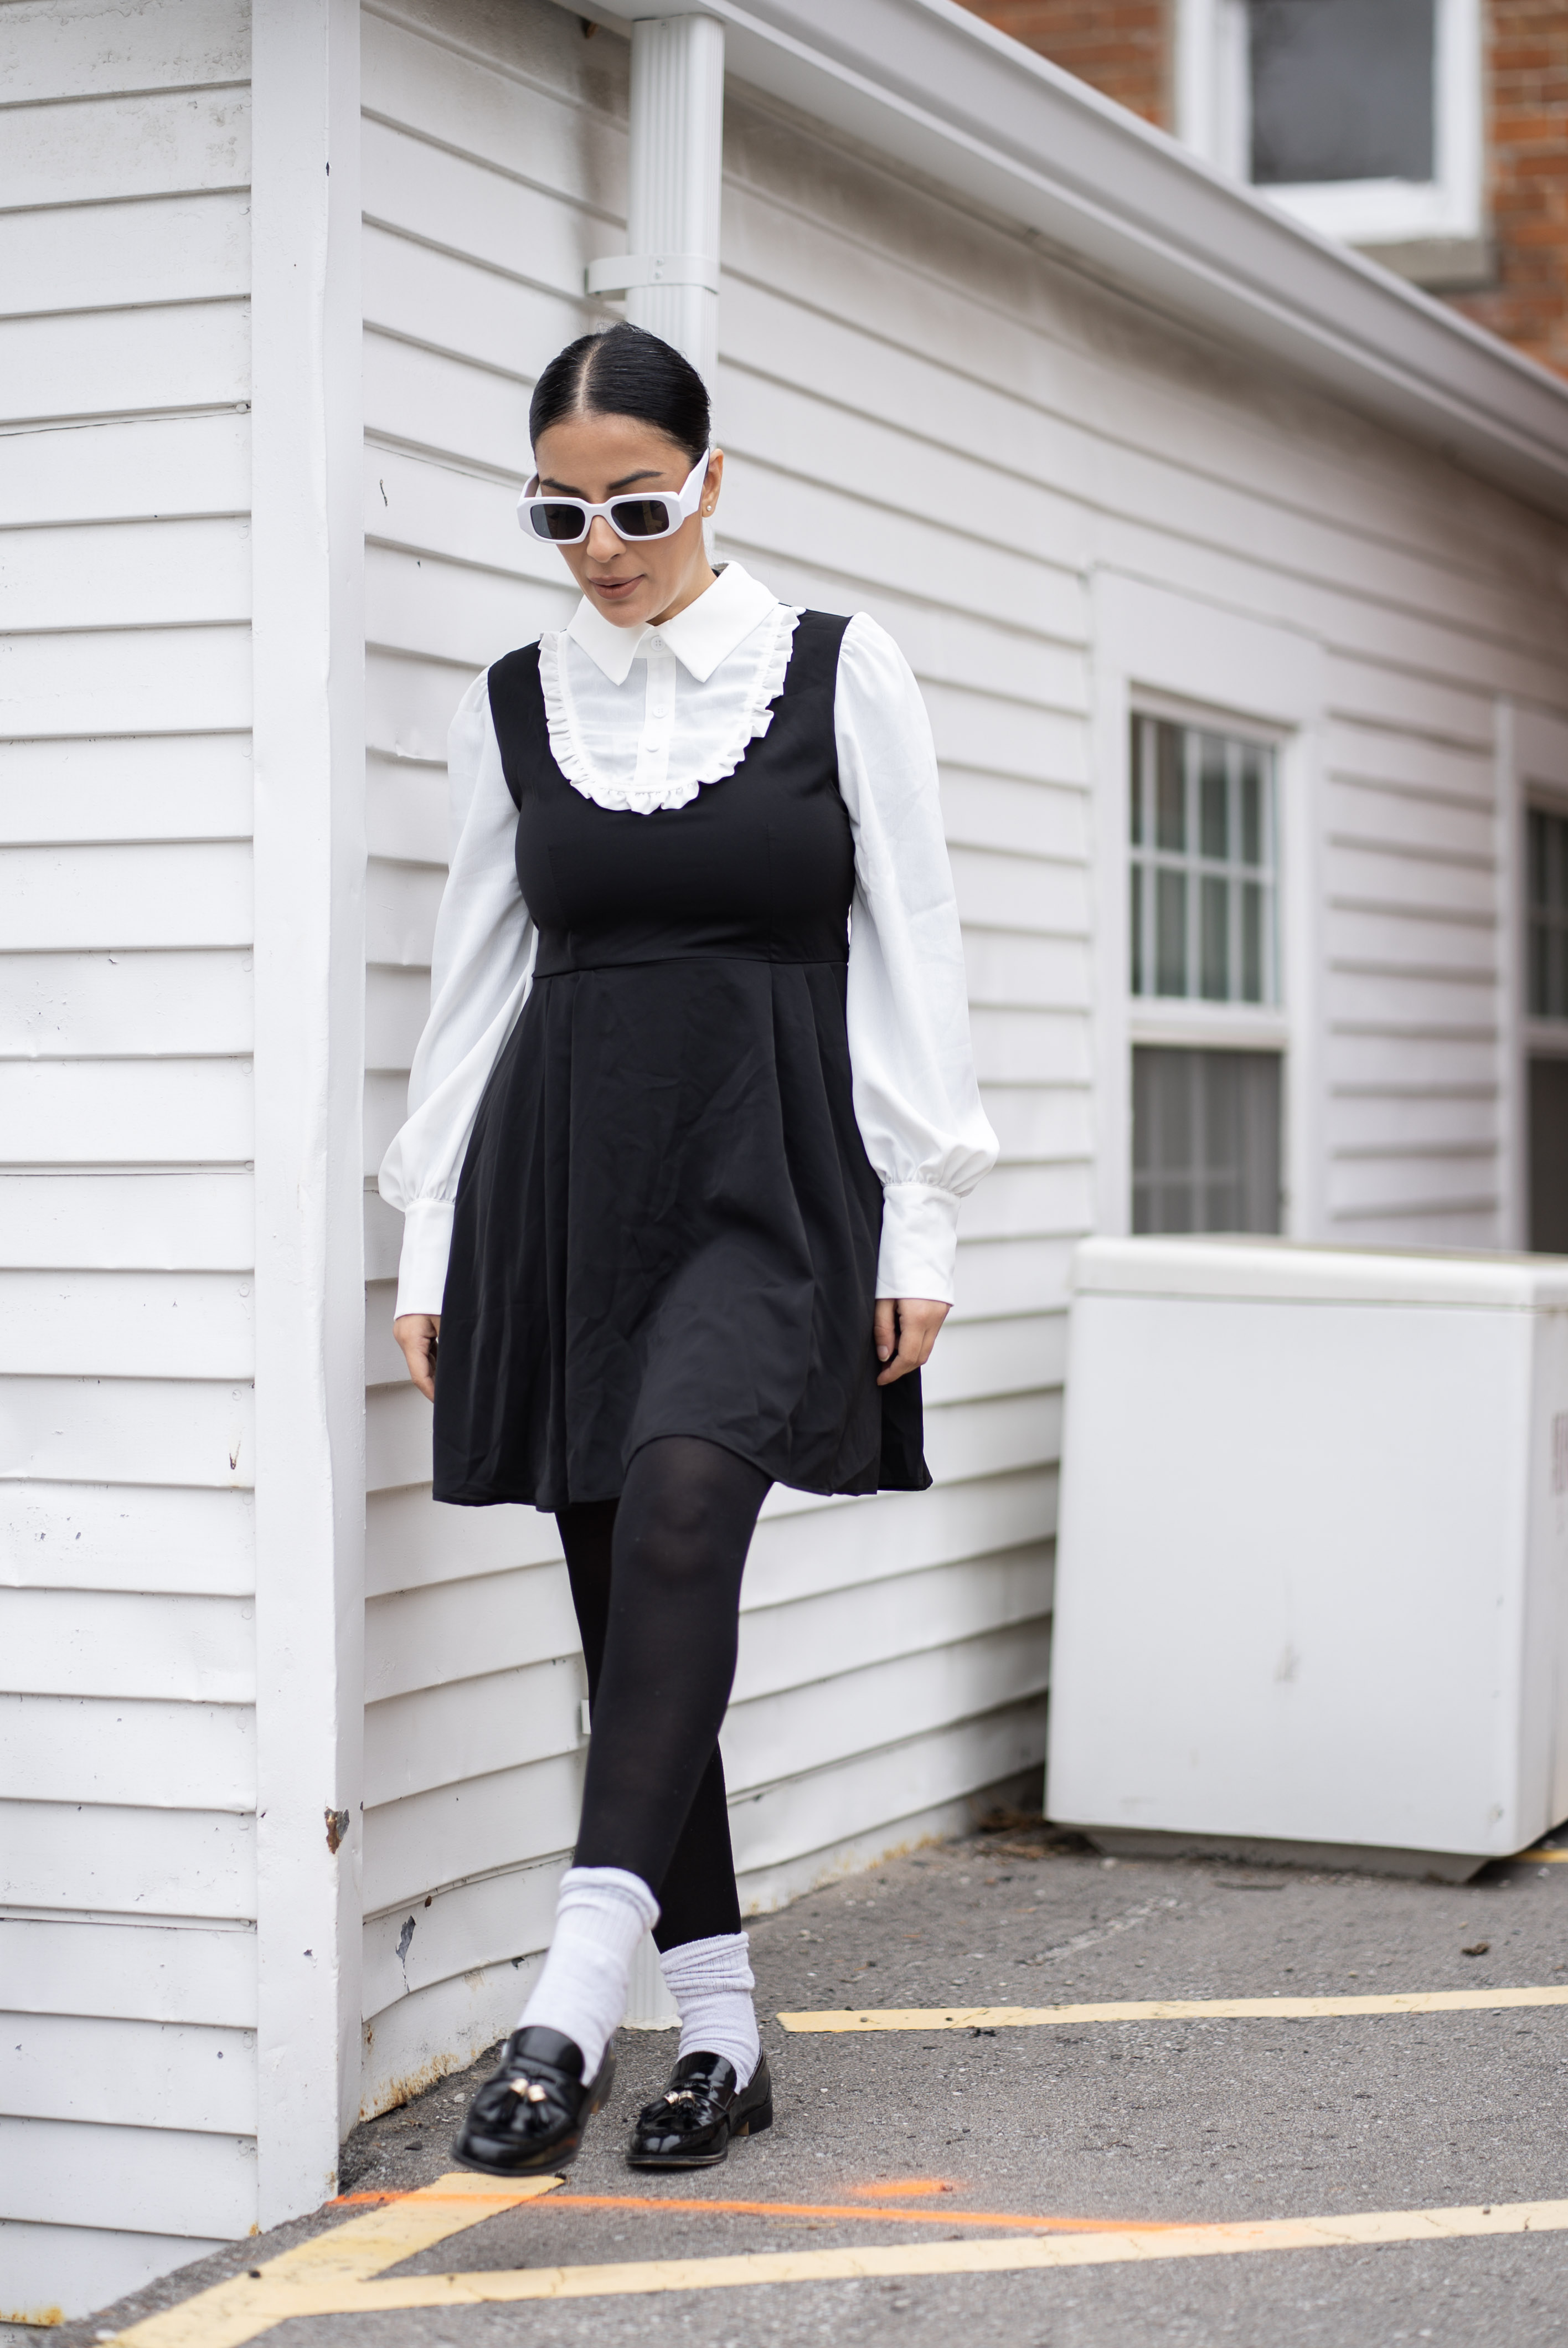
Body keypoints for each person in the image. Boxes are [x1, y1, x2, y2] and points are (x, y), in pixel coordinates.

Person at [379, 321, 996, 2176]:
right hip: (565, 1183)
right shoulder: (517, 702)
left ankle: (565, 2011)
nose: (603, 547)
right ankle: (719, 2038)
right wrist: (430, 1242)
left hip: (773, 1171)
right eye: (561, 513)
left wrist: (924, 1208)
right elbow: (472, 981)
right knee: (632, 1609)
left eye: (638, 506)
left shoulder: (833, 668)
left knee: (678, 1519)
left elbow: (916, 940)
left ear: (711, 482)